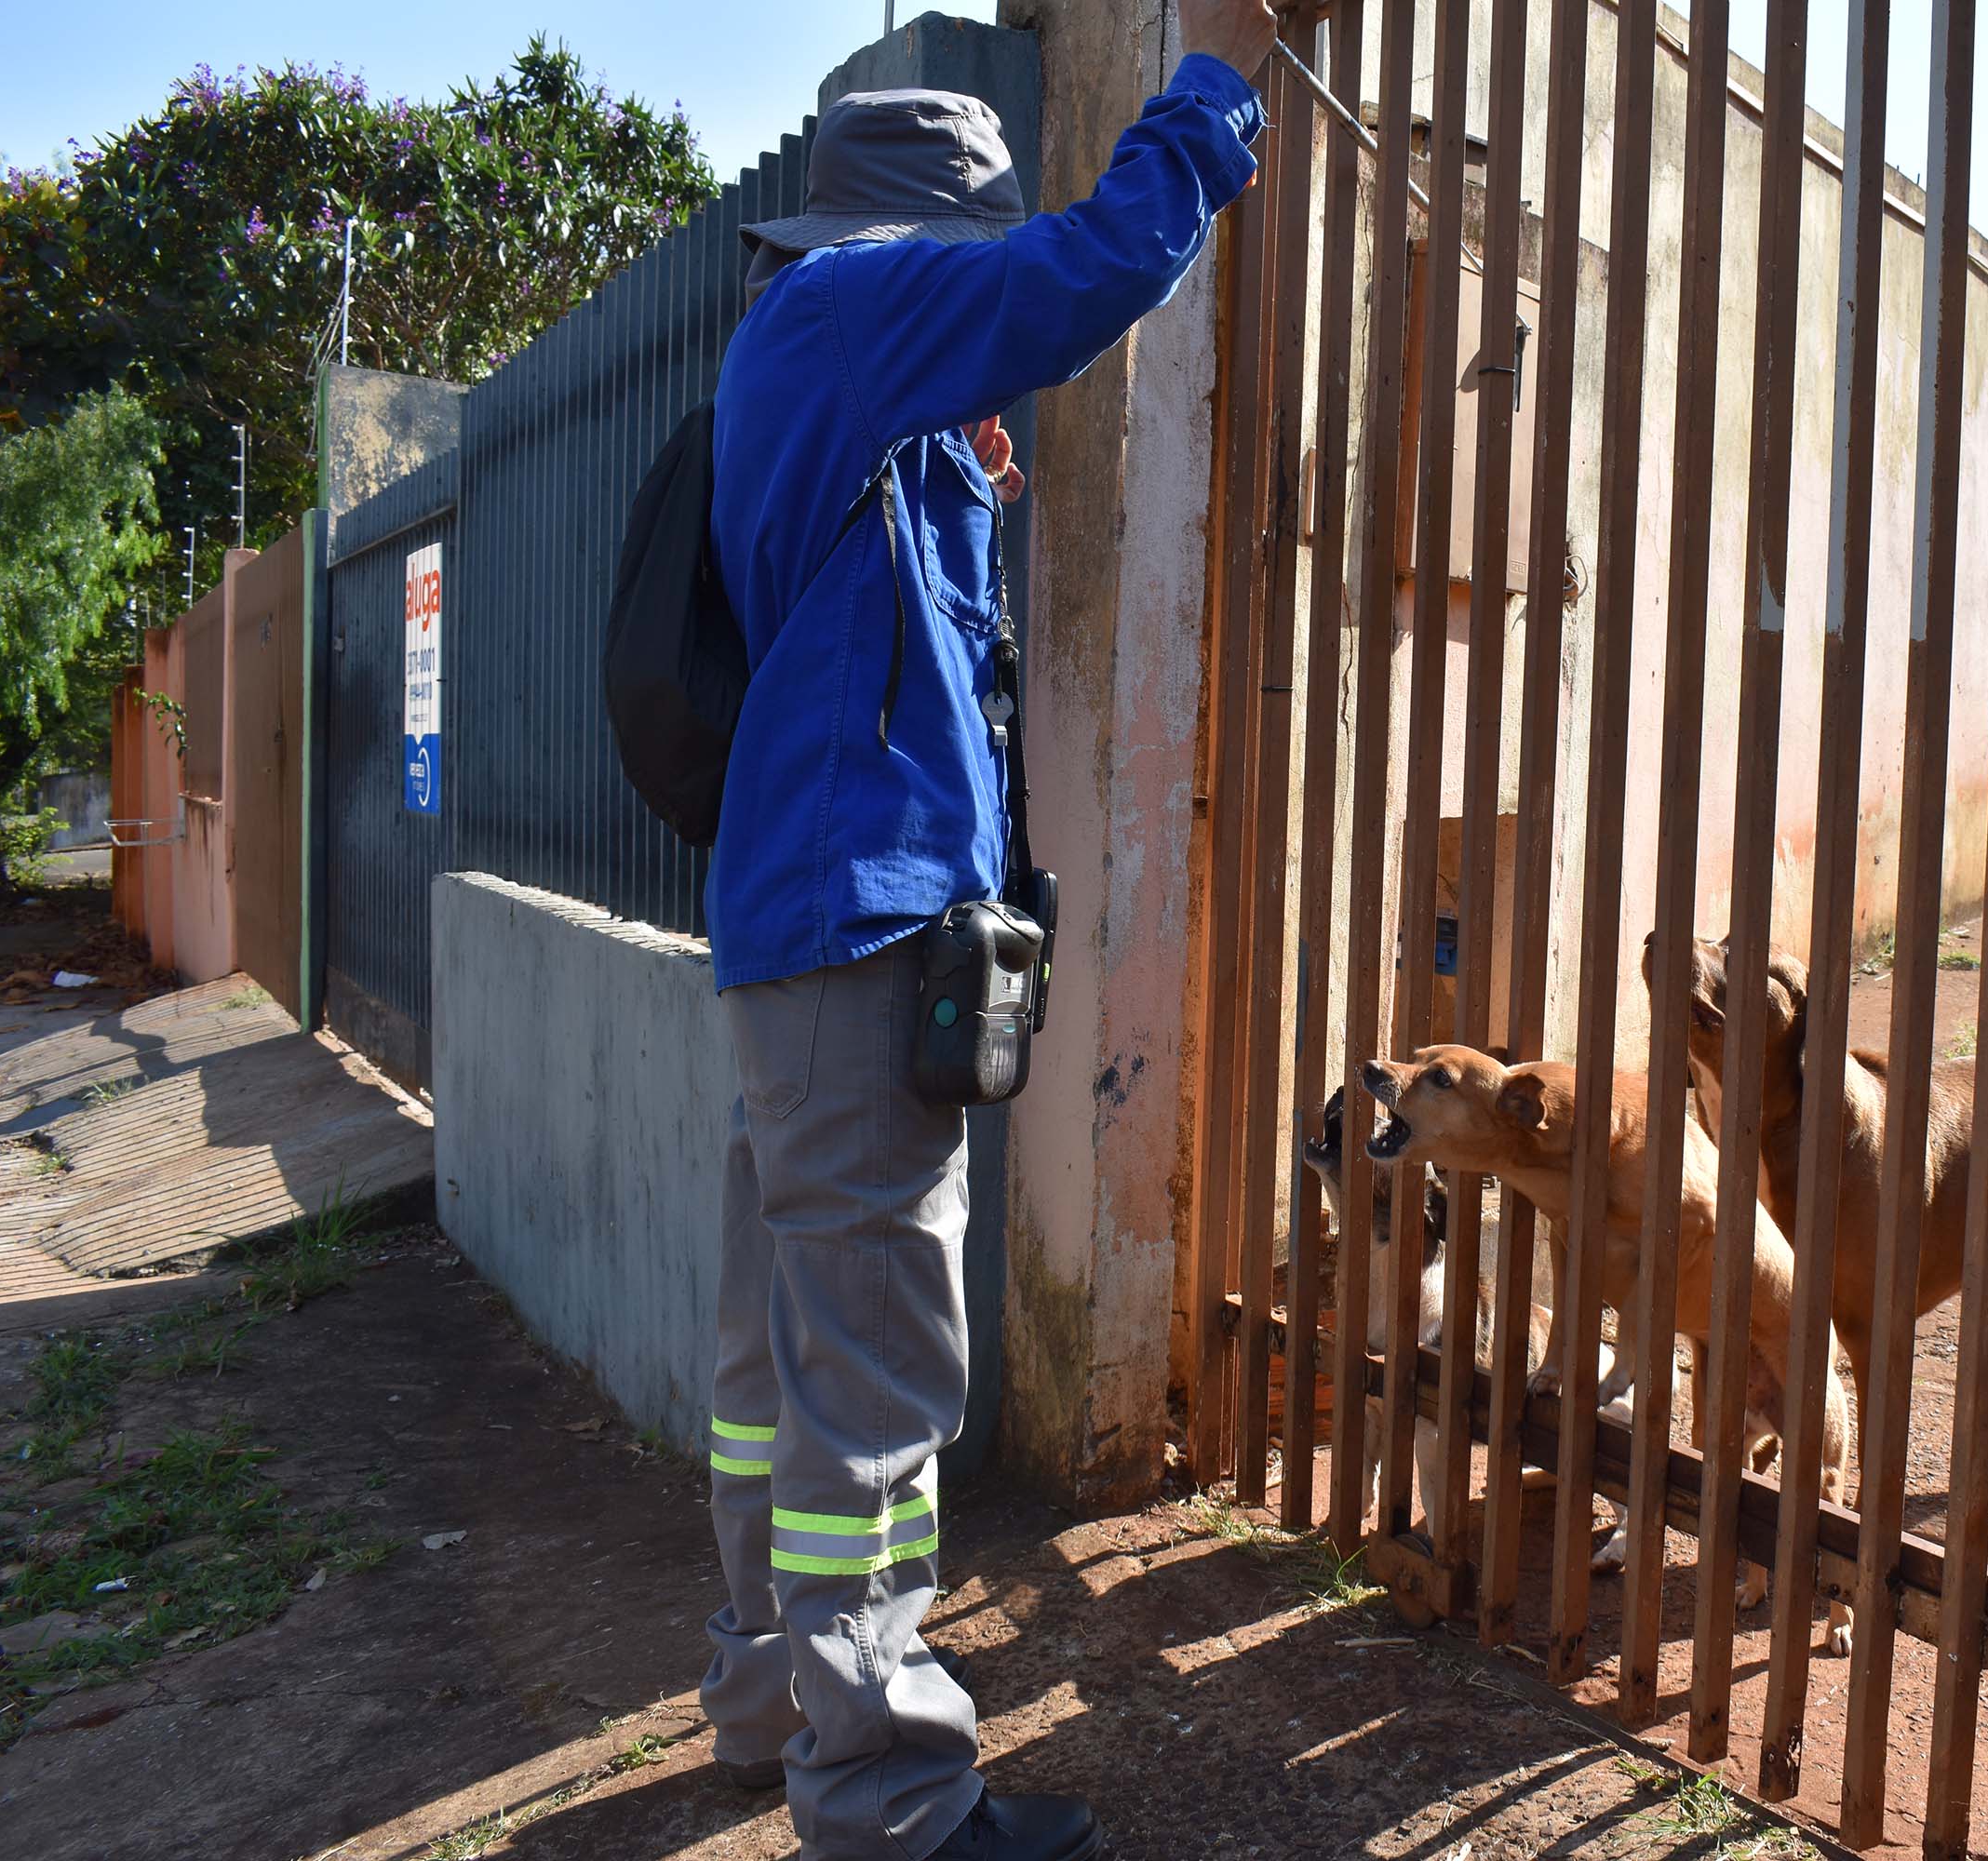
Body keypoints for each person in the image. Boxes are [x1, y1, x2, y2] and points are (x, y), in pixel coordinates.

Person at [697, 3, 1275, 1854]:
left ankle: (763, 1692)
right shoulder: (861, 310)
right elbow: (1095, 268)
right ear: (931, 246)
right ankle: (889, 1808)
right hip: (851, 939)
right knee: (873, 1393)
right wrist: (1217, 81)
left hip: (811, 925)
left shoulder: (822, 357)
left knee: (778, 1358)